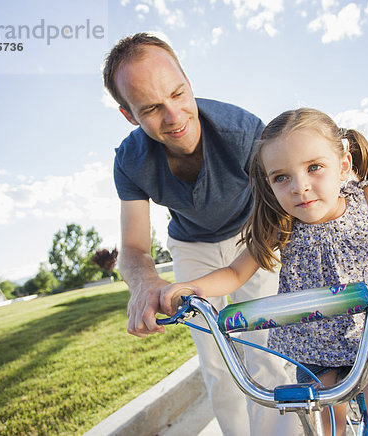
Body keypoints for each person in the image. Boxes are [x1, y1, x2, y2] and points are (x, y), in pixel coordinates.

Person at [161, 108, 368, 436]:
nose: (300, 187)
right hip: (313, 343)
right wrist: (188, 288)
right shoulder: (280, 225)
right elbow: (234, 273)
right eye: (281, 177)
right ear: (269, 183)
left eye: (314, 167)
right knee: (327, 429)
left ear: (343, 166)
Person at [103, 33, 300, 436]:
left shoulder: (244, 132)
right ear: (129, 115)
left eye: (178, 94)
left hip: (253, 231)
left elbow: (282, 208)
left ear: (189, 82)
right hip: (191, 244)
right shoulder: (129, 161)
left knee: (264, 350)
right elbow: (135, 248)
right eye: (152, 108)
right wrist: (145, 283)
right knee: (216, 362)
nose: (174, 116)